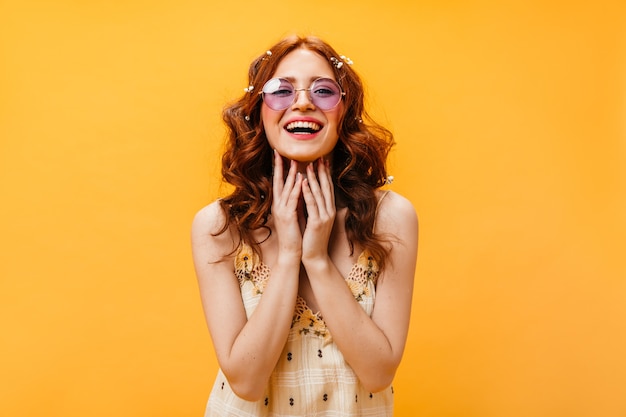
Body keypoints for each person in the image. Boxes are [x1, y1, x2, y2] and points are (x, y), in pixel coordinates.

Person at [191, 35, 419, 416]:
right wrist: (289, 257)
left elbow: (379, 373)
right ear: (258, 111)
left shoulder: (391, 219)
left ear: (344, 111)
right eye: (280, 91)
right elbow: (246, 383)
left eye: (323, 91)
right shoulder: (218, 227)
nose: (302, 102)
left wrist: (316, 259)